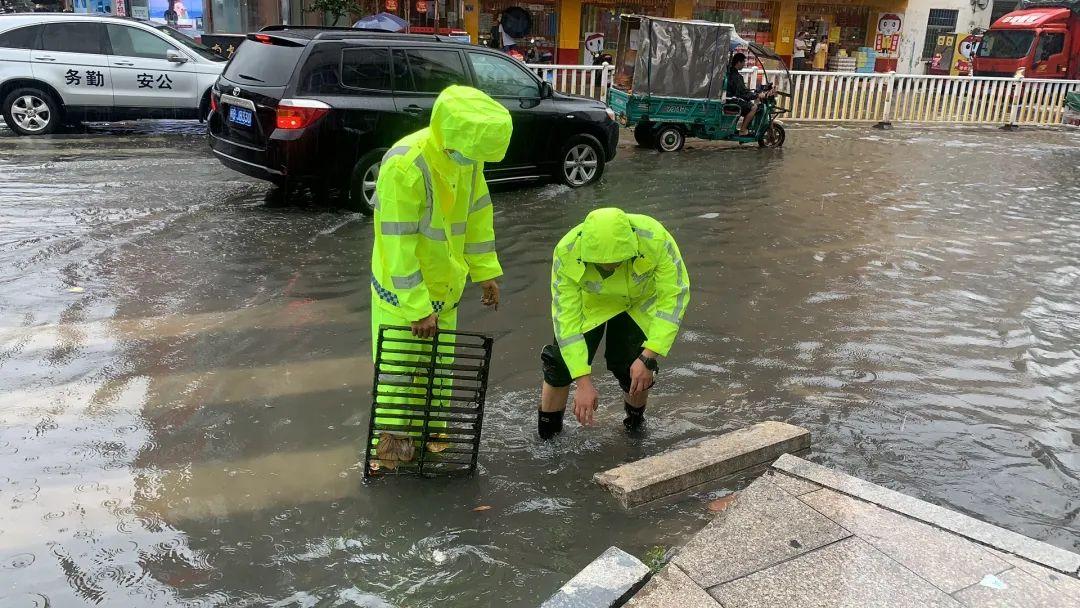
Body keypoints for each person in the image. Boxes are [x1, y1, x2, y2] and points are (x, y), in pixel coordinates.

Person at [370, 85, 512, 430]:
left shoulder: (466, 158)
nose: (474, 161)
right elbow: (397, 244)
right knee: (397, 377)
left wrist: (484, 273)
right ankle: (389, 444)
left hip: (446, 290)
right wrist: (417, 308)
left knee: (439, 372)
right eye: (471, 154)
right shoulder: (405, 166)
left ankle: (433, 431)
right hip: (402, 297)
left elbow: (477, 217)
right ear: (451, 136)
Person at [537, 208, 690, 438]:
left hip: (639, 302)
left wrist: (649, 355)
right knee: (559, 364)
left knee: (632, 365)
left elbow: (675, 296)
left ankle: (635, 425)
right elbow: (565, 320)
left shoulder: (655, 238)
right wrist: (582, 381)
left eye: (619, 261)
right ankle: (548, 437)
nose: (612, 267)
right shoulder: (566, 251)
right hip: (591, 304)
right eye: (603, 263)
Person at [726, 52, 776, 136]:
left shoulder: (732, 73)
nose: (744, 64)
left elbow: (743, 91)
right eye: (743, 62)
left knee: (751, 104)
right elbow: (742, 93)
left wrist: (753, 93)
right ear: (738, 62)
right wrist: (757, 95)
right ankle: (743, 130)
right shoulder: (736, 76)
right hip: (733, 101)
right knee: (754, 107)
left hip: (732, 99)